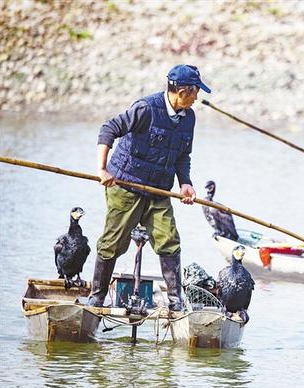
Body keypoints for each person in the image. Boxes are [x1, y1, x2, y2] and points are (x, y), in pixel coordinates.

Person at [86, 64, 211, 311]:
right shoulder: (146, 109)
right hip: (125, 186)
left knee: (169, 240)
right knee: (112, 243)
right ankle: (97, 297)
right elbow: (109, 129)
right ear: (182, 91)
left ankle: (175, 302)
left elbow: (183, 155)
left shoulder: (189, 118)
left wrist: (185, 183)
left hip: (158, 191)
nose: (197, 98)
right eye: (195, 92)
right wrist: (102, 170)